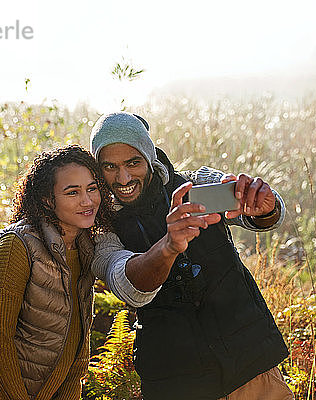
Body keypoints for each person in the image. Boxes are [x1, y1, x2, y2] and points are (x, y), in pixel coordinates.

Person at [90, 112, 294, 400]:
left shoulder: (194, 188)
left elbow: (261, 215)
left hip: (251, 368)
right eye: (109, 166)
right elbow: (129, 287)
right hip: (176, 382)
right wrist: (169, 246)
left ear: (150, 159)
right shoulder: (103, 230)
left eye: (132, 163)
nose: (123, 178)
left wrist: (263, 205)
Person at [0, 145, 158, 400]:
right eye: (73, 192)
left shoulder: (85, 251)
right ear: (48, 200)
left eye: (92, 188)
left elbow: (76, 350)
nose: (87, 201)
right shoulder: (15, 247)